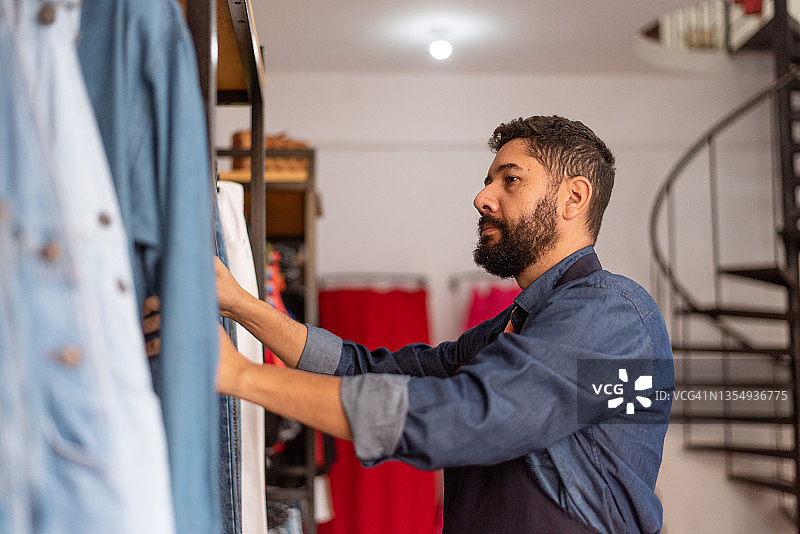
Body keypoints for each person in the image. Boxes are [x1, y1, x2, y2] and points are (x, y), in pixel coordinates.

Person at [146, 115, 674, 534]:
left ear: (573, 199)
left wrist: (238, 376)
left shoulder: (613, 316)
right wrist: (241, 304)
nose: (482, 196)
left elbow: (468, 417)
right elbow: (367, 370)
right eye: (488, 179)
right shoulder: (510, 330)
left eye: (509, 179)